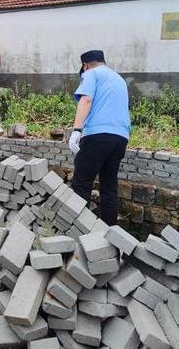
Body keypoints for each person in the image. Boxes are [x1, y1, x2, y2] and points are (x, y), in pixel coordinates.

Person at [69, 50, 131, 226]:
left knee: (81, 183)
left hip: (97, 136)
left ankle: (77, 233)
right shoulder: (119, 79)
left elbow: (86, 100)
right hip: (120, 139)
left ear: (85, 65)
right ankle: (110, 235)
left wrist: (76, 130)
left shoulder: (91, 73)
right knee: (109, 187)